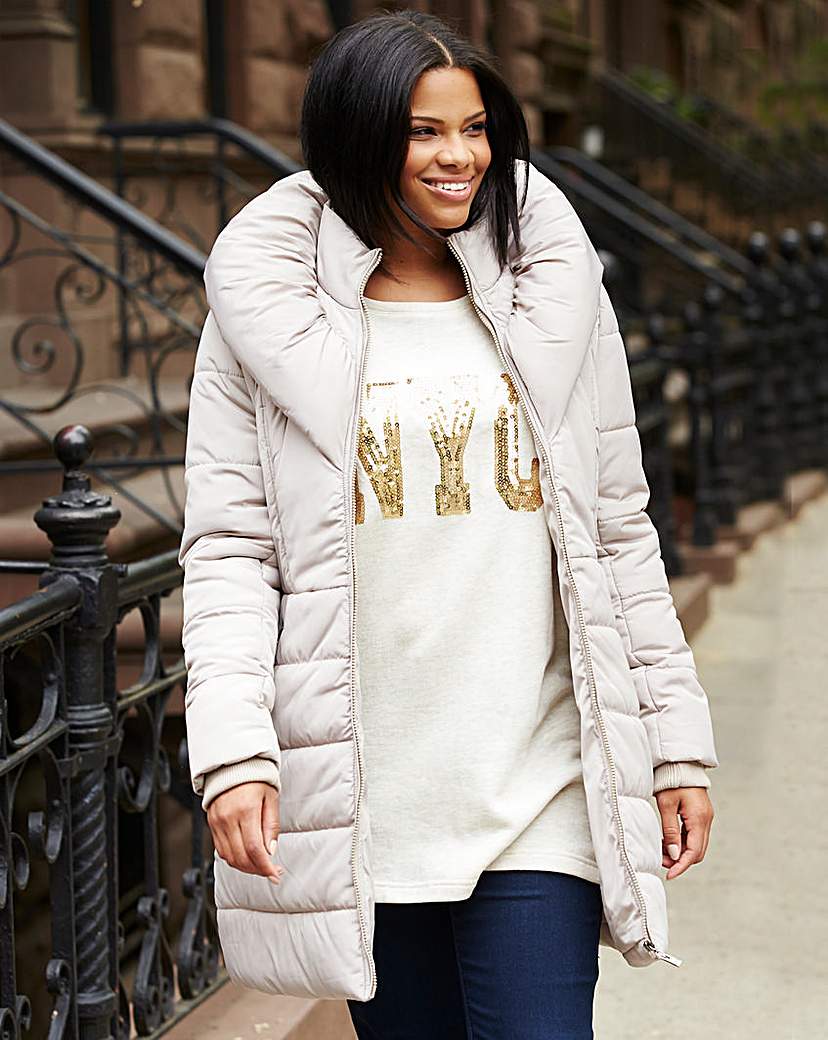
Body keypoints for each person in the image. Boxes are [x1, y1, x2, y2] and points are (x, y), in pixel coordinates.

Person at [178, 10, 719, 1039]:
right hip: (365, 796)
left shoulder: (552, 294)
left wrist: (675, 749)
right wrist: (236, 752)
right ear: (358, 135)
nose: (459, 156)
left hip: (537, 782)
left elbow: (617, 531)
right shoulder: (267, 316)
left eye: (474, 129)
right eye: (423, 131)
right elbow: (233, 554)